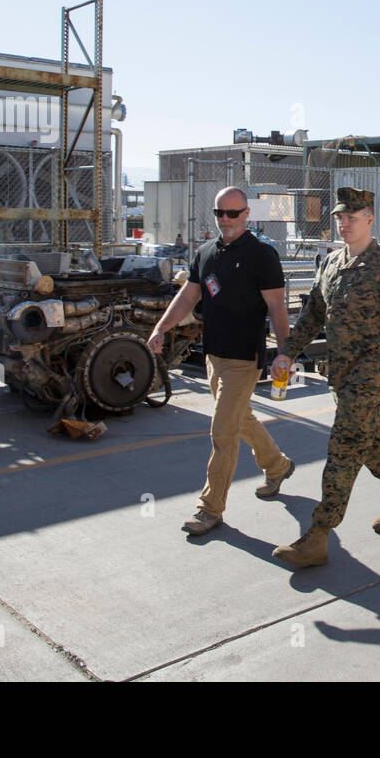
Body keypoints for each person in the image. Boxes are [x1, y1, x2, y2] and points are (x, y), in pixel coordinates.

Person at [269, 187, 380, 567]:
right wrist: (287, 351)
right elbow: (313, 313)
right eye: (340, 218)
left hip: (371, 372)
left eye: (352, 218)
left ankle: (318, 535)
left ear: (370, 220)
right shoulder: (331, 263)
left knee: (343, 448)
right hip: (339, 372)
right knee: (369, 440)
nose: (344, 224)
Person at [148, 186, 295, 537]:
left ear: (247, 214)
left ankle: (209, 509)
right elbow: (188, 296)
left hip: (244, 358)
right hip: (214, 354)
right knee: (239, 418)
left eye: (233, 213)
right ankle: (278, 465)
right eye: (219, 214)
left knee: (222, 432)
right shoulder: (205, 253)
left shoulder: (262, 255)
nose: (226, 220)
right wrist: (160, 328)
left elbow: (277, 306)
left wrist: (285, 351)